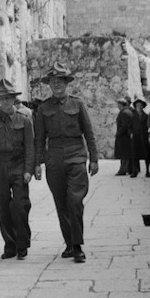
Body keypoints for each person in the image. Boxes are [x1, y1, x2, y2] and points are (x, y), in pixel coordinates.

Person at [34, 63, 98, 264]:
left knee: (75, 201)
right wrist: (37, 163)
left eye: (60, 81)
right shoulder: (43, 109)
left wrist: (94, 158)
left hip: (76, 157)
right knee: (61, 203)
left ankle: (78, 246)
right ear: (50, 85)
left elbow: (88, 132)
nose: (57, 85)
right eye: (53, 82)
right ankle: (69, 243)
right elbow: (39, 139)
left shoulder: (77, 105)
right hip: (54, 159)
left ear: (66, 84)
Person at [0, 78, 34, 260]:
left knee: (19, 205)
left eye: (8, 98)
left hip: (18, 166)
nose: (5, 102)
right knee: (3, 208)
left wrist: (28, 169)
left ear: (14, 99)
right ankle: (10, 244)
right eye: (2, 99)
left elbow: (30, 147)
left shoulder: (24, 120)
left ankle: (22, 244)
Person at [130, 97, 150, 178]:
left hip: (144, 136)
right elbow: (129, 126)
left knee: (146, 154)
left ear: (143, 106)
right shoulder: (133, 116)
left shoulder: (146, 116)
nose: (139, 107)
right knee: (135, 154)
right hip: (135, 137)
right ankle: (134, 171)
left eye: (140, 105)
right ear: (135, 107)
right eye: (137, 105)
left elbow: (148, 125)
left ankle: (147, 171)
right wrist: (131, 133)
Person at [114, 96, 133, 176]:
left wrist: (118, 133)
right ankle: (127, 168)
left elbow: (124, 125)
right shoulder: (127, 111)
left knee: (124, 153)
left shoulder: (124, 112)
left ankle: (123, 169)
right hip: (125, 136)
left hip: (124, 136)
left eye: (118, 104)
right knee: (125, 153)